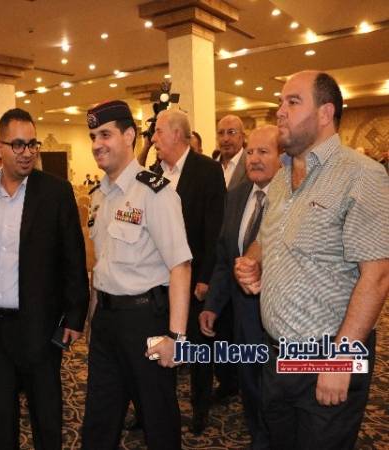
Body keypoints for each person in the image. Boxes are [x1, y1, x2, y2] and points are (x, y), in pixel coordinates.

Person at [235, 71, 389, 450]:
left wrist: (340, 359)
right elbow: (267, 238)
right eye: (280, 102)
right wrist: (251, 263)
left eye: (292, 101)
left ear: (325, 113)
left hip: (327, 354)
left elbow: (378, 276)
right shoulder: (281, 176)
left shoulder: (362, 175)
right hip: (277, 353)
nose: (280, 111)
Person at [0, 108, 89, 450]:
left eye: (32, 144)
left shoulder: (55, 192)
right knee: (1, 419)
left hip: (40, 326)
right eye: (17, 144)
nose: (27, 152)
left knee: (46, 418)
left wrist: (75, 316)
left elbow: (73, 257)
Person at [81, 100, 192, 450]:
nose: (97, 144)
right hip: (107, 323)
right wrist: (93, 317)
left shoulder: (154, 192)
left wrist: (176, 338)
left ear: (129, 135)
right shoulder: (99, 196)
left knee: (158, 421)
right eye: (93, 136)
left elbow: (180, 265)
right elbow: (102, 265)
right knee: (99, 421)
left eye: (106, 135)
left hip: (146, 323)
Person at [199, 125, 282, 449]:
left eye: (264, 152)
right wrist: (212, 305)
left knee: (280, 402)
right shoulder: (235, 196)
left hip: (282, 326)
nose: (254, 159)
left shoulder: (294, 198)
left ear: (283, 157)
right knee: (251, 391)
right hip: (243, 321)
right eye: (250, 152)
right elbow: (225, 258)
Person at [150, 109, 227, 435]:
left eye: (158, 132)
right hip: (158, 280)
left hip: (194, 278)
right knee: (159, 345)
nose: (153, 138)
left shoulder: (207, 170)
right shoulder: (153, 172)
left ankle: (199, 409)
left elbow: (214, 231)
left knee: (197, 348)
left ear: (177, 134)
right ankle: (154, 407)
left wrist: (206, 277)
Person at [217, 115, 247, 190]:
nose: (225, 139)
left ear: (242, 137)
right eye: (221, 133)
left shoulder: (251, 165)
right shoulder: (209, 168)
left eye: (231, 132)